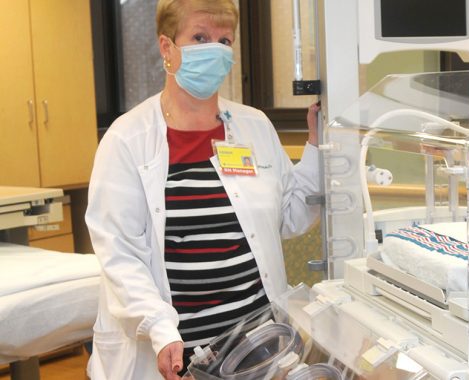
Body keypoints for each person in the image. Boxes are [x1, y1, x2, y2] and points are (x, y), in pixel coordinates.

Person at [84, 1, 321, 379]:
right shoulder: (128, 139)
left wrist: (316, 144)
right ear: (167, 48)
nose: (215, 48)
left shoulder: (253, 126)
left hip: (255, 348)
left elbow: (290, 215)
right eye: (199, 37)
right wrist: (160, 330)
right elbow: (119, 253)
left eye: (224, 39)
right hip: (176, 354)